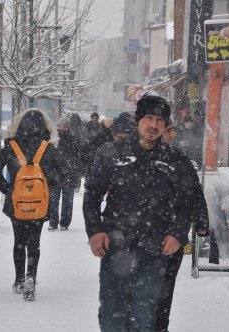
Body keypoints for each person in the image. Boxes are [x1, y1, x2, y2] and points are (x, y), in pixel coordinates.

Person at [83, 95, 208, 331]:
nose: (154, 125)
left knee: (145, 317)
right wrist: (95, 230)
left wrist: (178, 233)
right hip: (116, 247)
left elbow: (186, 201)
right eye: (148, 118)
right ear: (139, 120)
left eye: (160, 121)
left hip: (154, 250)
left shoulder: (174, 160)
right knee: (112, 316)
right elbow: (92, 194)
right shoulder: (111, 153)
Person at [0, 109, 66, 301]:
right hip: (39, 204)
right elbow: (66, 172)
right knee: (34, 242)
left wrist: (7, 188)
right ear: (44, 127)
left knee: (19, 241)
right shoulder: (47, 148)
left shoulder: (12, 147)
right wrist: (49, 185)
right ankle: (31, 277)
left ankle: (19, 280)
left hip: (17, 204)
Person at [155, 119, 209, 332]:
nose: (172, 135)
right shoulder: (178, 160)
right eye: (169, 131)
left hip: (163, 235)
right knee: (162, 288)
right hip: (167, 234)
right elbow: (194, 193)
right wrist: (201, 221)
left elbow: (193, 192)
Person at [48, 116, 82, 231]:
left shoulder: (57, 140)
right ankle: (56, 223)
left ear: (67, 127)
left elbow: (78, 158)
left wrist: (77, 173)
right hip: (59, 174)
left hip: (65, 174)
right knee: (55, 200)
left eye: (63, 126)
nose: (61, 128)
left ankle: (62, 223)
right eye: (59, 125)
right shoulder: (54, 140)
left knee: (62, 201)